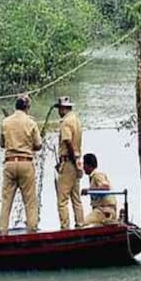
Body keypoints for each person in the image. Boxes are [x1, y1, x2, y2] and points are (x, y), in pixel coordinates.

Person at [0, 95, 42, 234]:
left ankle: (2, 231)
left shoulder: (6, 122)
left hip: (10, 163)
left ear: (15, 107)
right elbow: (38, 144)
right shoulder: (31, 122)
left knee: (6, 201)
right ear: (27, 108)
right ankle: (32, 231)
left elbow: (1, 144)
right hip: (25, 163)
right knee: (30, 202)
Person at [54, 96, 84, 229]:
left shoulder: (66, 122)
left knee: (62, 200)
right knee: (76, 198)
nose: (58, 111)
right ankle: (80, 224)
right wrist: (78, 161)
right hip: (76, 161)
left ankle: (65, 227)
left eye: (59, 108)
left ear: (63, 108)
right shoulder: (76, 120)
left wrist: (73, 159)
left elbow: (67, 141)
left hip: (68, 162)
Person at [81, 153, 119, 226]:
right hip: (103, 210)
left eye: (84, 165)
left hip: (104, 210)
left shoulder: (97, 175)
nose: (83, 167)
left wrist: (88, 191)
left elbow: (105, 187)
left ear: (88, 165)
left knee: (83, 224)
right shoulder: (93, 177)